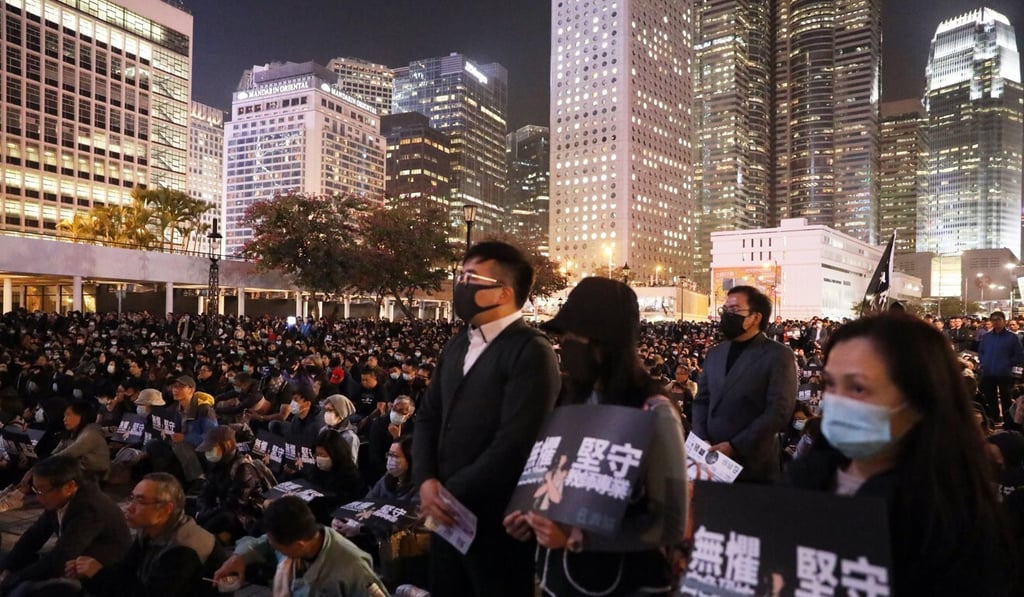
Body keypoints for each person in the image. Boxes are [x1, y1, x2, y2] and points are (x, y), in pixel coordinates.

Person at [784, 312, 1016, 595]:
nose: (836, 401)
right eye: (830, 384)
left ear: (920, 397)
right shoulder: (804, 476)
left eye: (858, 387)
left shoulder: (954, 521)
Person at [505, 277, 688, 596]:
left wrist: (580, 537)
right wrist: (531, 513)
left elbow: (669, 523)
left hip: (625, 584)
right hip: (561, 581)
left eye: (572, 339)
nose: (562, 348)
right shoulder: (570, 404)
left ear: (604, 346)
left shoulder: (654, 414)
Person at [413, 241, 561, 597]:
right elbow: (429, 416)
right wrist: (425, 479)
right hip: (446, 518)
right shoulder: (457, 345)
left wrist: (450, 492)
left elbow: (516, 443)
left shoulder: (530, 350)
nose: (461, 285)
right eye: (460, 275)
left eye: (470, 277)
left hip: (497, 523)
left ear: (503, 293)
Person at [691, 285, 798, 483]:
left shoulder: (778, 355)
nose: (726, 315)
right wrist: (702, 438)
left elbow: (779, 411)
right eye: (725, 310)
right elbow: (702, 401)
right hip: (710, 457)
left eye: (734, 310)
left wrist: (735, 445)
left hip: (753, 461)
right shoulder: (715, 353)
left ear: (755, 318)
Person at [68, 473, 222, 597]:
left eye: (140, 501)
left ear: (165, 510)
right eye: (132, 498)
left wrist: (98, 573)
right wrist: (87, 573)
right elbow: (125, 572)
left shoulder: (185, 547)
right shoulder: (150, 530)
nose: (129, 507)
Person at [0, 455, 131, 595]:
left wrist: (13, 579)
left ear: (70, 487)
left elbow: (61, 559)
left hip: (98, 576)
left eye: (42, 490)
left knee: (21, 590)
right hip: (72, 563)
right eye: (35, 490)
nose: (38, 497)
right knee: (7, 561)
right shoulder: (60, 500)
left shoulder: (89, 509)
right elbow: (33, 537)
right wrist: (7, 569)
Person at [213, 495, 388, 596]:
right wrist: (239, 558)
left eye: (277, 546)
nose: (273, 547)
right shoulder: (299, 536)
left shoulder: (353, 568)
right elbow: (261, 543)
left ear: (298, 545)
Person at [194, 426, 264, 543]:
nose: (209, 452)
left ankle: (199, 539)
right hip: (220, 509)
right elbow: (206, 492)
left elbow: (234, 505)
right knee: (189, 504)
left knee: (225, 517)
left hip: (242, 518)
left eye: (212, 448)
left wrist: (204, 515)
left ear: (228, 445)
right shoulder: (217, 464)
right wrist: (203, 510)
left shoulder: (244, 469)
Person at [977, 311, 1024, 429]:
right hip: (988, 372)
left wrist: (1008, 363)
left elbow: (1019, 354)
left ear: (1004, 321)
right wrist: (983, 362)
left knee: (1006, 397)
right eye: (993, 320)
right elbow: (981, 352)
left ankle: (1008, 420)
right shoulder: (987, 337)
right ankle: (994, 418)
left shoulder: (1012, 337)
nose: (996, 322)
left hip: (1005, 372)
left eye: (998, 319)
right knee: (990, 396)